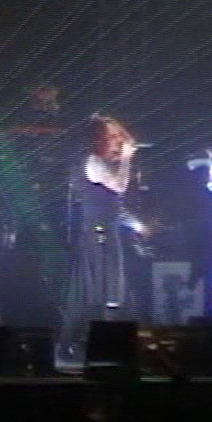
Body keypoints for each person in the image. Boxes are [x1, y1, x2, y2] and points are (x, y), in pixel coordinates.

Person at [59, 114, 149, 361]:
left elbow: (113, 207)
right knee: (95, 291)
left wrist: (136, 225)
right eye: (112, 136)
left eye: (119, 136)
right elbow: (119, 185)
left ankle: (102, 343)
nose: (118, 141)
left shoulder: (103, 163)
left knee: (111, 291)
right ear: (98, 138)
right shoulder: (92, 162)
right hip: (96, 235)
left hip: (107, 232)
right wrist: (127, 158)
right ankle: (78, 343)